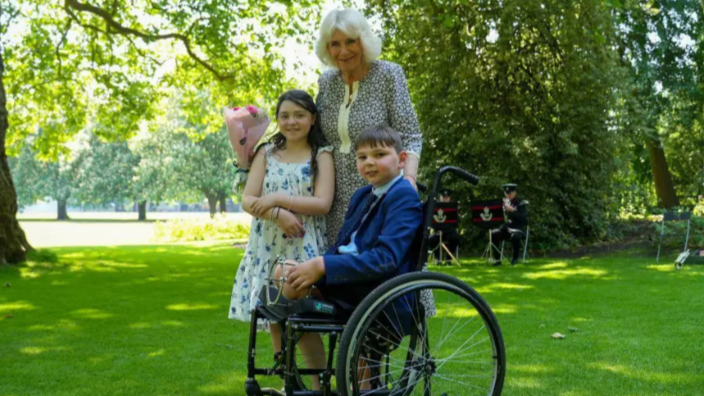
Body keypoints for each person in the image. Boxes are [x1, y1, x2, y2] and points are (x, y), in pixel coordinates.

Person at [277, 125, 423, 387]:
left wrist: (324, 266)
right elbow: (342, 244)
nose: (369, 162)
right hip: (347, 285)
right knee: (285, 273)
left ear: (401, 160)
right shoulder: (363, 195)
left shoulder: (403, 196)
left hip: (375, 294)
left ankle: (346, 382)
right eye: (362, 157)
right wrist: (318, 268)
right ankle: (315, 383)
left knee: (289, 287)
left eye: (379, 155)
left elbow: (385, 258)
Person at [227, 90, 334, 386]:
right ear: (277, 119)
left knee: (302, 318)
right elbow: (249, 199)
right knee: (275, 312)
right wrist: (276, 215)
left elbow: (323, 203)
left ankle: (318, 385)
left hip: (304, 242)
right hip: (268, 242)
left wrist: (277, 199)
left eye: (299, 115)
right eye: (284, 116)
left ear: (312, 119)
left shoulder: (322, 154)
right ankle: (289, 382)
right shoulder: (266, 152)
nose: (291, 122)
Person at [314, 8, 423, 244]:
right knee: (339, 267)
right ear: (327, 48)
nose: (343, 51)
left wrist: (409, 181)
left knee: (380, 264)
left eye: (350, 41)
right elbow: (314, 137)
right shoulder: (326, 83)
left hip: (380, 192)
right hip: (334, 198)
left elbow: (411, 136)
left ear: (363, 41)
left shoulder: (388, 75)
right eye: (335, 44)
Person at [491, 183, 528, 266]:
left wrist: (513, 211)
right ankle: (497, 259)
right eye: (506, 193)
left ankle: (515, 258)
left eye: (510, 193)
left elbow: (524, 220)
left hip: (518, 229)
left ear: (514, 193)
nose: (508, 195)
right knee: (493, 233)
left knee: (516, 236)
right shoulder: (504, 203)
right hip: (506, 229)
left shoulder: (521, 203)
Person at [427, 188, 461, 266]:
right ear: (440, 197)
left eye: (447, 197)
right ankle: (438, 258)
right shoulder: (435, 206)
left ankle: (448, 259)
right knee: (431, 239)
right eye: (443, 197)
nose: (445, 198)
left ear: (449, 198)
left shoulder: (454, 207)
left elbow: (457, 221)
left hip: (449, 230)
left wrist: (458, 215)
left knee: (455, 238)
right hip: (438, 231)